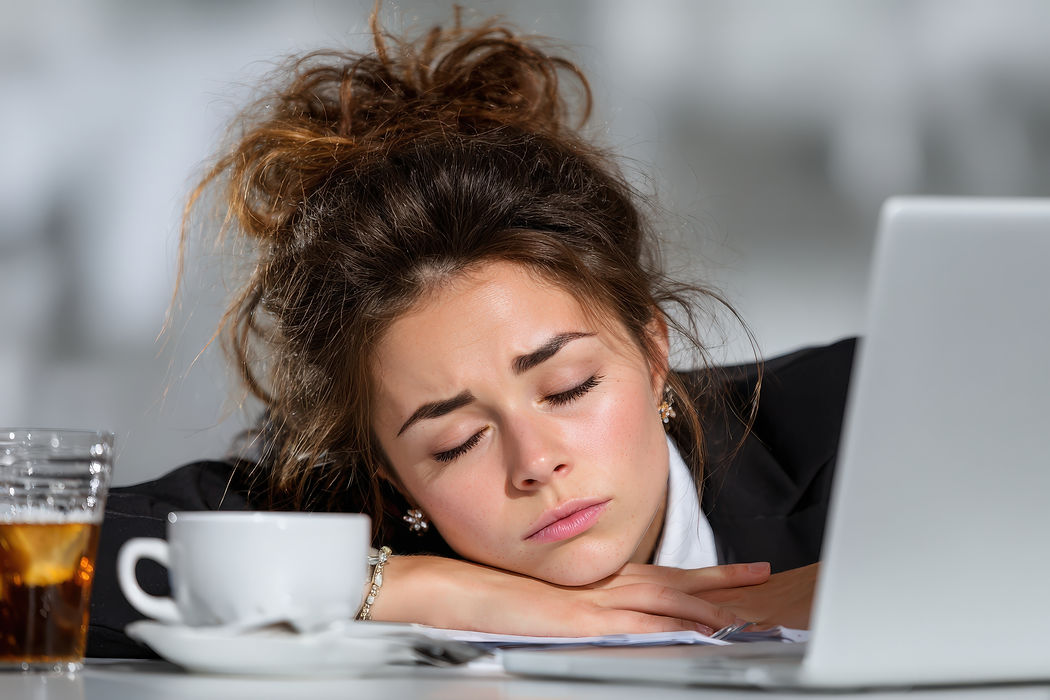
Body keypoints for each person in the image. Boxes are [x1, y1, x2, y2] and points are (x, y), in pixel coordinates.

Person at [87, 13, 856, 658]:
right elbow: (46, 549)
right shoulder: (344, 518)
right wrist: (415, 587)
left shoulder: (851, 420)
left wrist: (856, 587)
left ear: (653, 353)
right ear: (389, 474)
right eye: (456, 442)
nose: (536, 464)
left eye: (568, 388)